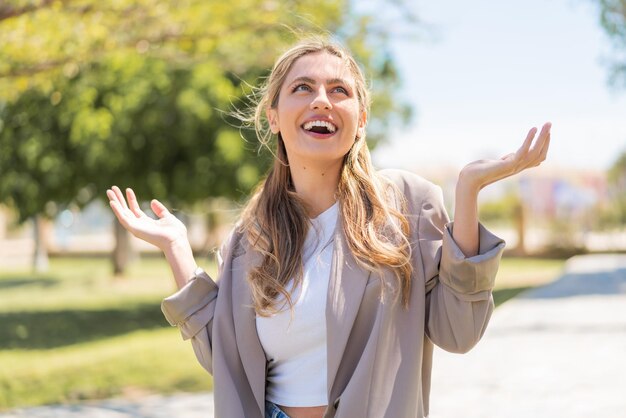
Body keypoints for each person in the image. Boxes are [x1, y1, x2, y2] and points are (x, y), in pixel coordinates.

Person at [106, 38, 550, 418]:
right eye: (303, 87)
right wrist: (176, 248)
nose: (322, 100)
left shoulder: (407, 206)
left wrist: (468, 192)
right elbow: (228, 361)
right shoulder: (251, 236)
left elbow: (459, 332)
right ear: (274, 116)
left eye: (340, 90)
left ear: (360, 122)